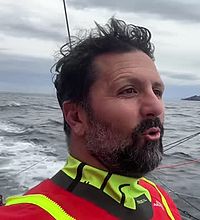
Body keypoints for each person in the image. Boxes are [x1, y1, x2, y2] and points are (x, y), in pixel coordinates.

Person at [0, 17, 181, 220]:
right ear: (76, 117)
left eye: (157, 91)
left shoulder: (159, 197)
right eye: (129, 90)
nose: (156, 107)